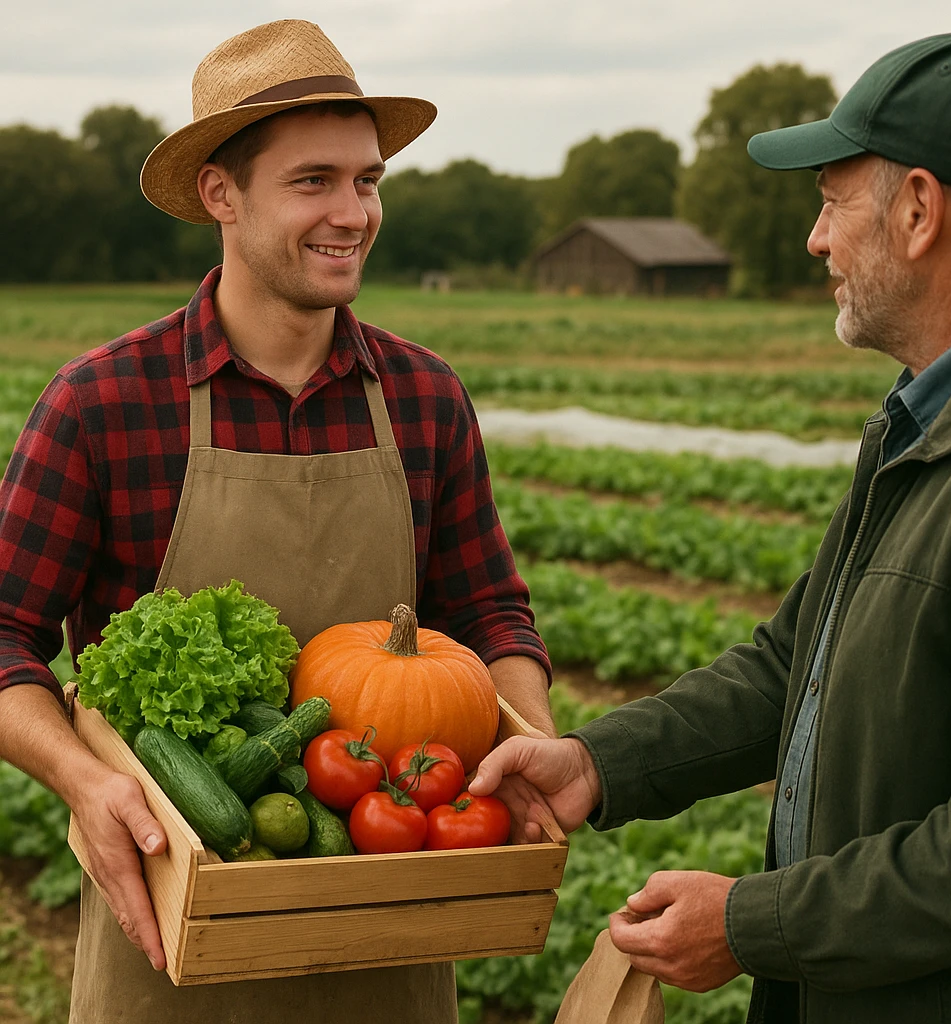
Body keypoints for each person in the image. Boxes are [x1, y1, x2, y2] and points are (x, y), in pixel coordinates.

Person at [0, 18, 555, 1024]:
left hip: (391, 906)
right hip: (171, 925)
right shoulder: (103, 403)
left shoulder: (425, 397)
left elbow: (492, 617)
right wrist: (84, 779)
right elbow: (2, 635)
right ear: (222, 193)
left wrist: (532, 737)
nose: (353, 212)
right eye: (314, 182)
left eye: (368, 180)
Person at [471, 31, 951, 1024]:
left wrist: (752, 922)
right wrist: (599, 765)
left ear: (917, 209)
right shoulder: (925, 416)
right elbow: (790, 666)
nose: (816, 240)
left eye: (829, 200)